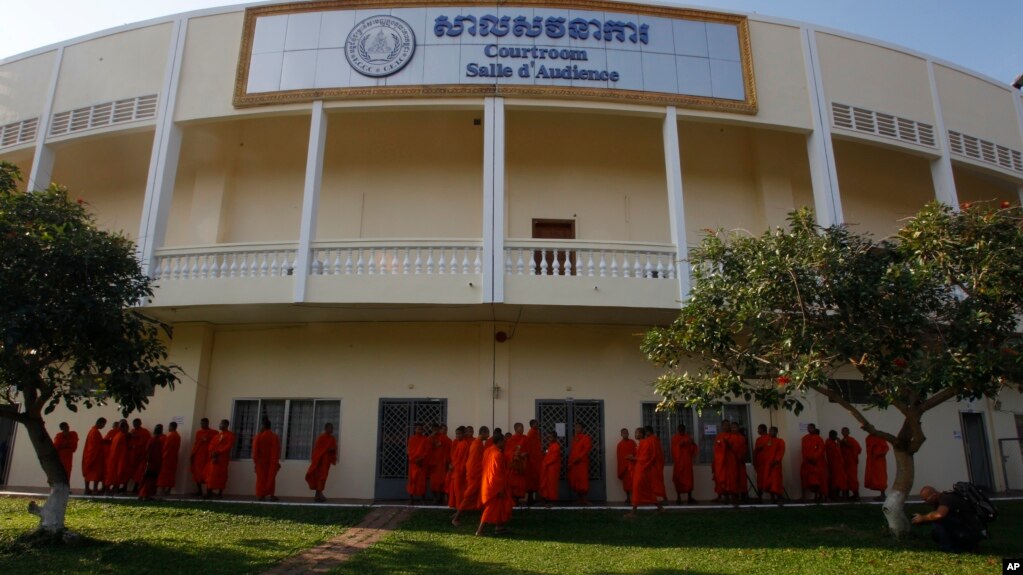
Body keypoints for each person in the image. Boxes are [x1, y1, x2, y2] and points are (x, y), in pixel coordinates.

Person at [912, 485, 984, 552]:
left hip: (971, 531)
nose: (925, 502)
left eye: (926, 499)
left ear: (934, 495)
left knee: (938, 522)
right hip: (965, 529)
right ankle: (966, 546)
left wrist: (923, 518)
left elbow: (939, 515)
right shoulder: (941, 500)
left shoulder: (946, 499)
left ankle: (950, 549)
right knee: (935, 533)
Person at [451, 426, 489, 526]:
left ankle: (485, 515)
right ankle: (456, 518)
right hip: (474, 474)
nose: (488, 436)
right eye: (487, 433)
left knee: (477, 494)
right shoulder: (477, 445)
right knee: (468, 496)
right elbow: (474, 462)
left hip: (475, 473)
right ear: (483, 433)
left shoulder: (476, 442)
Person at [476, 432, 512, 536]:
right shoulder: (497, 454)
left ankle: (499, 527)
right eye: (503, 442)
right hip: (494, 485)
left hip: (487, 481)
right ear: (500, 442)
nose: (505, 443)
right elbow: (497, 473)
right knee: (490, 508)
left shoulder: (488, 450)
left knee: (499, 506)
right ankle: (479, 530)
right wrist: (499, 489)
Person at [626, 427, 664, 517]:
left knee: (637, 488)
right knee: (644, 490)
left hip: (643, 470)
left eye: (638, 433)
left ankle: (633, 512)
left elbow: (646, 458)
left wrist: (633, 458)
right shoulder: (640, 443)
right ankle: (661, 508)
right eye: (635, 433)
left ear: (642, 434)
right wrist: (632, 457)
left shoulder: (646, 443)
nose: (636, 435)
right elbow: (639, 455)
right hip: (639, 469)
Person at [305, 422, 338, 502]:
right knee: (320, 477)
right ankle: (320, 494)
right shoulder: (321, 438)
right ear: (326, 428)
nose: (332, 430)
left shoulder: (332, 438)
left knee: (323, 477)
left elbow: (334, 448)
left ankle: (317, 495)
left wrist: (332, 450)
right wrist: (327, 449)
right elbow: (318, 449)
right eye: (330, 428)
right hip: (319, 462)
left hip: (326, 462)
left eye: (332, 428)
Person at [205, 419, 235, 499]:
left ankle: (220, 493)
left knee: (221, 475)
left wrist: (219, 452)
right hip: (213, 458)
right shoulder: (217, 435)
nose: (220, 425)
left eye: (221, 424)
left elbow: (228, 446)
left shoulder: (230, 435)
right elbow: (211, 445)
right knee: (211, 474)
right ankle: (209, 492)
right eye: (220, 424)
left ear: (226, 425)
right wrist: (212, 453)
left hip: (222, 459)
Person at [252, 418, 281, 501]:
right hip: (272, 461)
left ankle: (261, 495)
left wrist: (255, 462)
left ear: (263, 426)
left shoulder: (259, 436)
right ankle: (271, 495)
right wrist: (276, 462)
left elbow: (255, 450)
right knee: (271, 478)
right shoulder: (274, 436)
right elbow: (277, 450)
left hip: (261, 461)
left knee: (261, 478)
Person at [671, 424, 698, 504]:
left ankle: (690, 497)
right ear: (677, 430)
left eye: (682, 429)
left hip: (687, 462)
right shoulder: (675, 438)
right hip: (678, 462)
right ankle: (678, 498)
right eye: (680, 429)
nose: (681, 431)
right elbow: (673, 450)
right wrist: (679, 445)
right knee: (678, 479)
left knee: (689, 480)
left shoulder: (688, 437)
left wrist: (692, 443)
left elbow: (693, 450)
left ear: (684, 430)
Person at [800, 423, 827, 502]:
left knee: (818, 480)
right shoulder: (804, 438)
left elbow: (821, 450)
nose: (809, 429)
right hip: (807, 463)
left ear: (814, 429)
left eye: (811, 428)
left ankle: (819, 496)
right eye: (808, 428)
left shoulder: (819, 439)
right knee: (805, 479)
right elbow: (803, 450)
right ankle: (804, 497)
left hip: (817, 463)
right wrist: (807, 459)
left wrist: (814, 458)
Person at [137, 424, 165, 501]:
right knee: (148, 479)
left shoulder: (154, 440)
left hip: (154, 463)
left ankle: (145, 495)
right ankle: (144, 495)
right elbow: (148, 452)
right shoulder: (154, 441)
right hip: (151, 463)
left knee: (149, 479)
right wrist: (148, 462)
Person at [190, 418, 216, 496]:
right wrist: (193, 454)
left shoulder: (213, 433)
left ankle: (209, 491)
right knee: (197, 473)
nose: (202, 425)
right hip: (199, 455)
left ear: (207, 423)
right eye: (201, 423)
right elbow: (196, 443)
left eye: (203, 423)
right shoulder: (199, 432)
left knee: (209, 473)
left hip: (208, 456)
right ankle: (199, 490)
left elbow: (215, 444)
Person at [406, 422, 430, 505]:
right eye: (417, 428)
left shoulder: (425, 439)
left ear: (423, 430)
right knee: (412, 480)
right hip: (413, 463)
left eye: (420, 428)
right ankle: (411, 498)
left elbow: (426, 451)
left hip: (422, 463)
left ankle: (422, 499)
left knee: (422, 481)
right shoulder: (411, 439)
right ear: (415, 429)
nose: (419, 430)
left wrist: (420, 459)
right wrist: (414, 460)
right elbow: (409, 451)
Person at [568, 423, 592, 505]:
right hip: (574, 463)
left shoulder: (586, 438)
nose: (577, 429)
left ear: (582, 429)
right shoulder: (575, 438)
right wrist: (571, 461)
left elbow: (586, 449)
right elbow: (573, 451)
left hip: (581, 462)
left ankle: (585, 499)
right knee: (576, 481)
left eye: (579, 427)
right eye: (576, 427)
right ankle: (579, 499)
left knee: (583, 480)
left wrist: (579, 458)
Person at [428, 423, 452, 505]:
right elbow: (427, 445)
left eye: (446, 429)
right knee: (434, 482)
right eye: (442, 429)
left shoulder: (449, 440)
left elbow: (450, 452)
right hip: (435, 464)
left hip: (444, 464)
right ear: (439, 430)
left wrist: (449, 462)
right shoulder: (434, 438)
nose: (444, 431)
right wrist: (432, 435)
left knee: (443, 482)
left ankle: (441, 498)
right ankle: (435, 498)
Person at [505, 423, 529, 504]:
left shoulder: (525, 438)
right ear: (516, 429)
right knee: (513, 484)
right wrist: (515, 455)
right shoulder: (511, 440)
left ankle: (518, 500)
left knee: (520, 484)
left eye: (523, 427)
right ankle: (513, 501)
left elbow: (529, 450)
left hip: (521, 466)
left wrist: (525, 454)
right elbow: (507, 453)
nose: (522, 429)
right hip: (514, 466)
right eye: (521, 427)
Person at [82, 417, 107, 495]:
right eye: (103, 424)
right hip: (94, 455)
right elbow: (95, 445)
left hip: (91, 455)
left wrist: (103, 441)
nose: (103, 426)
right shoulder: (95, 432)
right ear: (100, 423)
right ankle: (94, 489)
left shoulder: (93, 431)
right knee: (96, 473)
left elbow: (97, 442)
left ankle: (87, 489)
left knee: (88, 472)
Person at [448, 426, 470, 511]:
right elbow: (455, 457)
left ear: (464, 434)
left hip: (459, 470)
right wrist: (451, 464)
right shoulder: (458, 443)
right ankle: (456, 508)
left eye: (459, 434)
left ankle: (459, 509)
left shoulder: (464, 444)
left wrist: (453, 465)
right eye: (457, 434)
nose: (457, 435)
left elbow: (461, 458)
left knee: (459, 491)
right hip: (455, 469)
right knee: (454, 489)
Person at [105, 420, 130, 494]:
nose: (128, 429)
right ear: (122, 427)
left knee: (116, 475)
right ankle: (108, 490)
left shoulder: (119, 435)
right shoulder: (120, 436)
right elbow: (117, 450)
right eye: (126, 427)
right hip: (117, 459)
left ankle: (114, 490)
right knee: (114, 475)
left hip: (116, 459)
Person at [128, 418, 152, 493]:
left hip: (142, 456)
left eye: (136, 424)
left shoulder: (145, 432)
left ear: (140, 423)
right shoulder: (132, 432)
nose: (135, 426)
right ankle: (127, 487)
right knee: (130, 472)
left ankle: (136, 487)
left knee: (139, 473)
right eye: (134, 424)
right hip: (132, 456)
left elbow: (148, 444)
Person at [158, 421, 181, 495]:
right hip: (174, 458)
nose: (168, 428)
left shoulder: (171, 436)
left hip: (167, 458)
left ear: (172, 427)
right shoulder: (178, 436)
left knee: (164, 474)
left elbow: (166, 447)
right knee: (171, 474)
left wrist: (162, 456)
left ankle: (163, 490)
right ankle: (168, 490)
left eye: (169, 426)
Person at [864, 433, 890, 501]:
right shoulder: (868, 438)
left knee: (881, 477)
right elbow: (868, 450)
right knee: (874, 477)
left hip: (879, 461)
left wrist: (878, 453)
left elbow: (886, 448)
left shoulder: (880, 437)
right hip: (872, 461)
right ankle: (882, 495)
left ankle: (883, 494)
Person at [727, 421, 748, 504]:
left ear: (738, 428)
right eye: (732, 427)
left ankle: (743, 495)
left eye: (735, 427)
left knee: (742, 478)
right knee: (733, 478)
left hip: (740, 461)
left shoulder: (742, 438)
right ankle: (734, 496)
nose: (733, 429)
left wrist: (743, 457)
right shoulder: (728, 437)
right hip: (731, 461)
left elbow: (744, 448)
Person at [539, 431, 561, 507]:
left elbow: (553, 458)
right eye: (548, 437)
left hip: (552, 468)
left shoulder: (556, 446)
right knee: (546, 483)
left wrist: (545, 463)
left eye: (550, 437)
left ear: (555, 438)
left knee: (552, 484)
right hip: (548, 468)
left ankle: (553, 500)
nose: (549, 439)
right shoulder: (550, 446)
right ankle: (546, 499)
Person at [764, 426, 786, 504]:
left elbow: (781, 452)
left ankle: (779, 498)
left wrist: (776, 460)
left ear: (776, 432)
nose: (770, 432)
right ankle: (772, 498)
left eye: (772, 431)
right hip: (768, 465)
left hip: (775, 465)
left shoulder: (780, 441)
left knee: (776, 481)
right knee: (769, 482)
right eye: (769, 431)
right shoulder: (767, 441)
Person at [840, 427, 862, 501]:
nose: (844, 432)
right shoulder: (842, 441)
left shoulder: (852, 440)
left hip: (852, 463)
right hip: (844, 463)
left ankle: (856, 495)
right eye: (842, 431)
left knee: (853, 479)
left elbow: (858, 449)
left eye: (845, 431)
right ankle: (846, 495)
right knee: (845, 479)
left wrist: (848, 444)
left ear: (848, 432)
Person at [825, 430, 847, 501]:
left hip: (838, 465)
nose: (836, 437)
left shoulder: (832, 442)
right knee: (835, 481)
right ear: (831, 435)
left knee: (840, 480)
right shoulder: (829, 442)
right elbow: (836, 452)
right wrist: (838, 444)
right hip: (834, 465)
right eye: (835, 435)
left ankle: (838, 495)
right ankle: (834, 496)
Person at [711, 419, 731, 501]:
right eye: (725, 425)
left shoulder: (731, 435)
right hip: (719, 461)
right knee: (718, 478)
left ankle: (728, 496)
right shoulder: (719, 436)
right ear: (722, 426)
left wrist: (727, 444)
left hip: (728, 461)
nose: (726, 426)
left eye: (728, 425)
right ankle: (719, 496)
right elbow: (715, 448)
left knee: (727, 478)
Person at [524, 419, 543, 505]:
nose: (537, 425)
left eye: (537, 423)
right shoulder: (531, 433)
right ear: (531, 425)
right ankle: (530, 499)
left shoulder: (535, 432)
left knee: (535, 478)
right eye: (535, 424)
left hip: (536, 458)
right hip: (532, 459)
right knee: (532, 479)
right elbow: (529, 446)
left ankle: (532, 499)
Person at [616, 428, 636, 504]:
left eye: (626, 433)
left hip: (632, 466)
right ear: (621, 434)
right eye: (623, 433)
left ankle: (635, 498)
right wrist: (622, 466)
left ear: (628, 434)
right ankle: (628, 498)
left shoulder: (633, 442)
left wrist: (632, 457)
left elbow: (636, 452)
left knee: (634, 483)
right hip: (624, 468)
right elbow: (619, 457)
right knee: (626, 484)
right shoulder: (619, 445)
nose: (625, 434)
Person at [752, 424, 771, 502]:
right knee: (760, 480)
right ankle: (760, 497)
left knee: (769, 479)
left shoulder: (770, 438)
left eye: (759, 429)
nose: (757, 431)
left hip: (768, 463)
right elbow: (756, 450)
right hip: (760, 463)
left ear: (763, 429)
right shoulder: (758, 439)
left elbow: (770, 448)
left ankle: (773, 497)